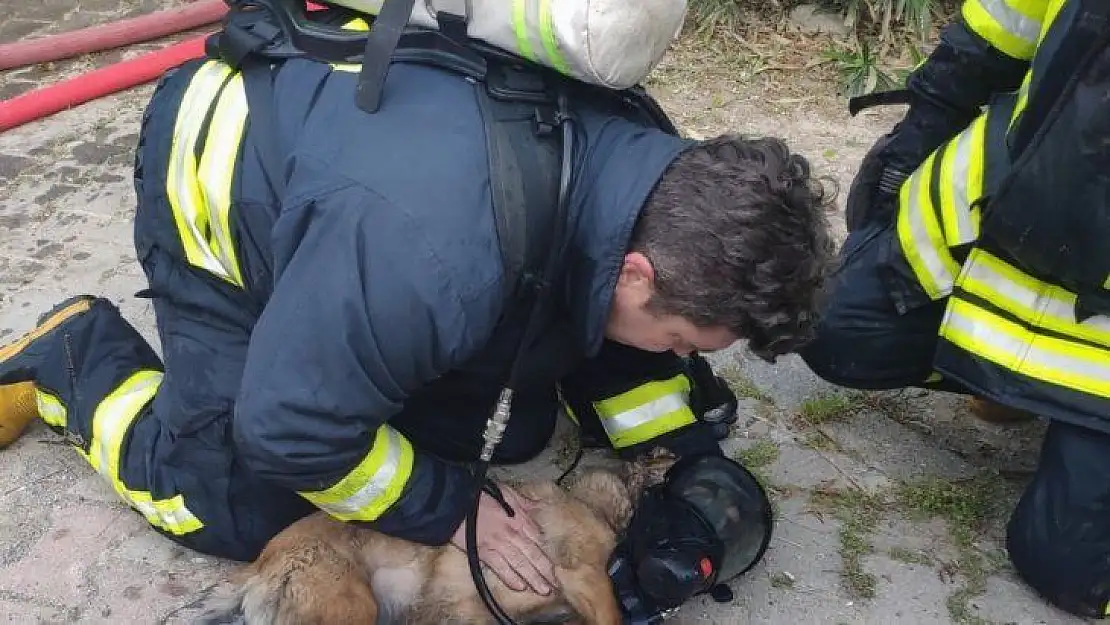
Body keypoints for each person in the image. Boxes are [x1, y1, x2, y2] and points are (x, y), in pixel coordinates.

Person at [0, 0, 834, 613]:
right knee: (241, 501)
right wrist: (451, 505)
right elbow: (288, 425)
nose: (677, 354)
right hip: (219, 180)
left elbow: (602, 320)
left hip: (380, 181)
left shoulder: (649, 172)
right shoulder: (433, 255)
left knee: (505, 433)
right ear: (641, 276)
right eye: (684, 338)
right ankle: (70, 356)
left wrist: (674, 451)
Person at [799, 0, 1110, 617]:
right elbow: (1004, 23)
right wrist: (924, 124)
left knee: (1066, 569)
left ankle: (1063, 412)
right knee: (832, 327)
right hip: (1010, 208)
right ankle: (1021, 389)